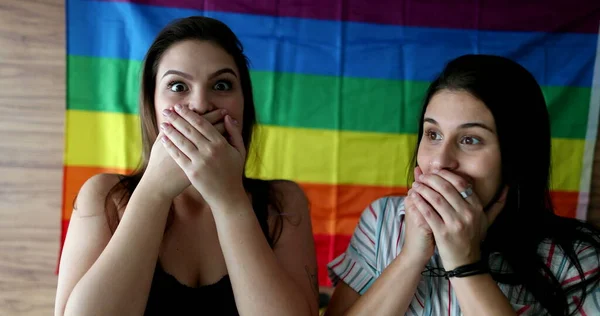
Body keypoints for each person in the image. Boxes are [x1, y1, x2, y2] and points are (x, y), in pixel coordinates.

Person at [55, 16, 319, 316]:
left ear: (244, 103)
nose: (200, 105)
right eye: (178, 86)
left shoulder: (281, 203)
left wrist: (230, 200)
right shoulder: (105, 197)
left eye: (221, 85)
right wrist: (153, 191)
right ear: (152, 106)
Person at [324, 54, 600, 316]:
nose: (440, 162)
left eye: (470, 140)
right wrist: (410, 258)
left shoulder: (577, 257)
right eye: (433, 134)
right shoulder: (381, 221)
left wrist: (465, 265)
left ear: (517, 155)